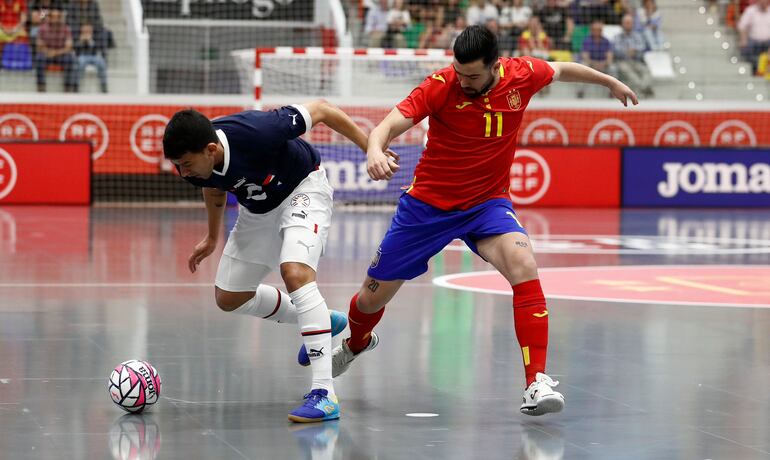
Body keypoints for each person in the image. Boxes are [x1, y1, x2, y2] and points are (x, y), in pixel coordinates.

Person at [330, 25, 637, 416]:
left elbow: (564, 70)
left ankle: (536, 382)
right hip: (428, 207)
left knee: (524, 263)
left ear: (495, 67)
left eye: (472, 75)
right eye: (459, 72)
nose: (463, 81)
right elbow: (388, 126)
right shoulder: (440, 86)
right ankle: (355, 343)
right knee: (371, 296)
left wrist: (610, 81)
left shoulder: (522, 74)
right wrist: (375, 150)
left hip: (487, 204)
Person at [162, 101, 373, 423]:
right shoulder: (195, 166)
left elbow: (323, 110)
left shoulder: (258, 131)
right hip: (258, 209)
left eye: (187, 164)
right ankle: (321, 320)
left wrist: (371, 149)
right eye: (178, 165)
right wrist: (212, 236)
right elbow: (214, 188)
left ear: (211, 149)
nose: (183, 173)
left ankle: (324, 393)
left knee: (295, 272)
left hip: (303, 189)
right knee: (230, 297)